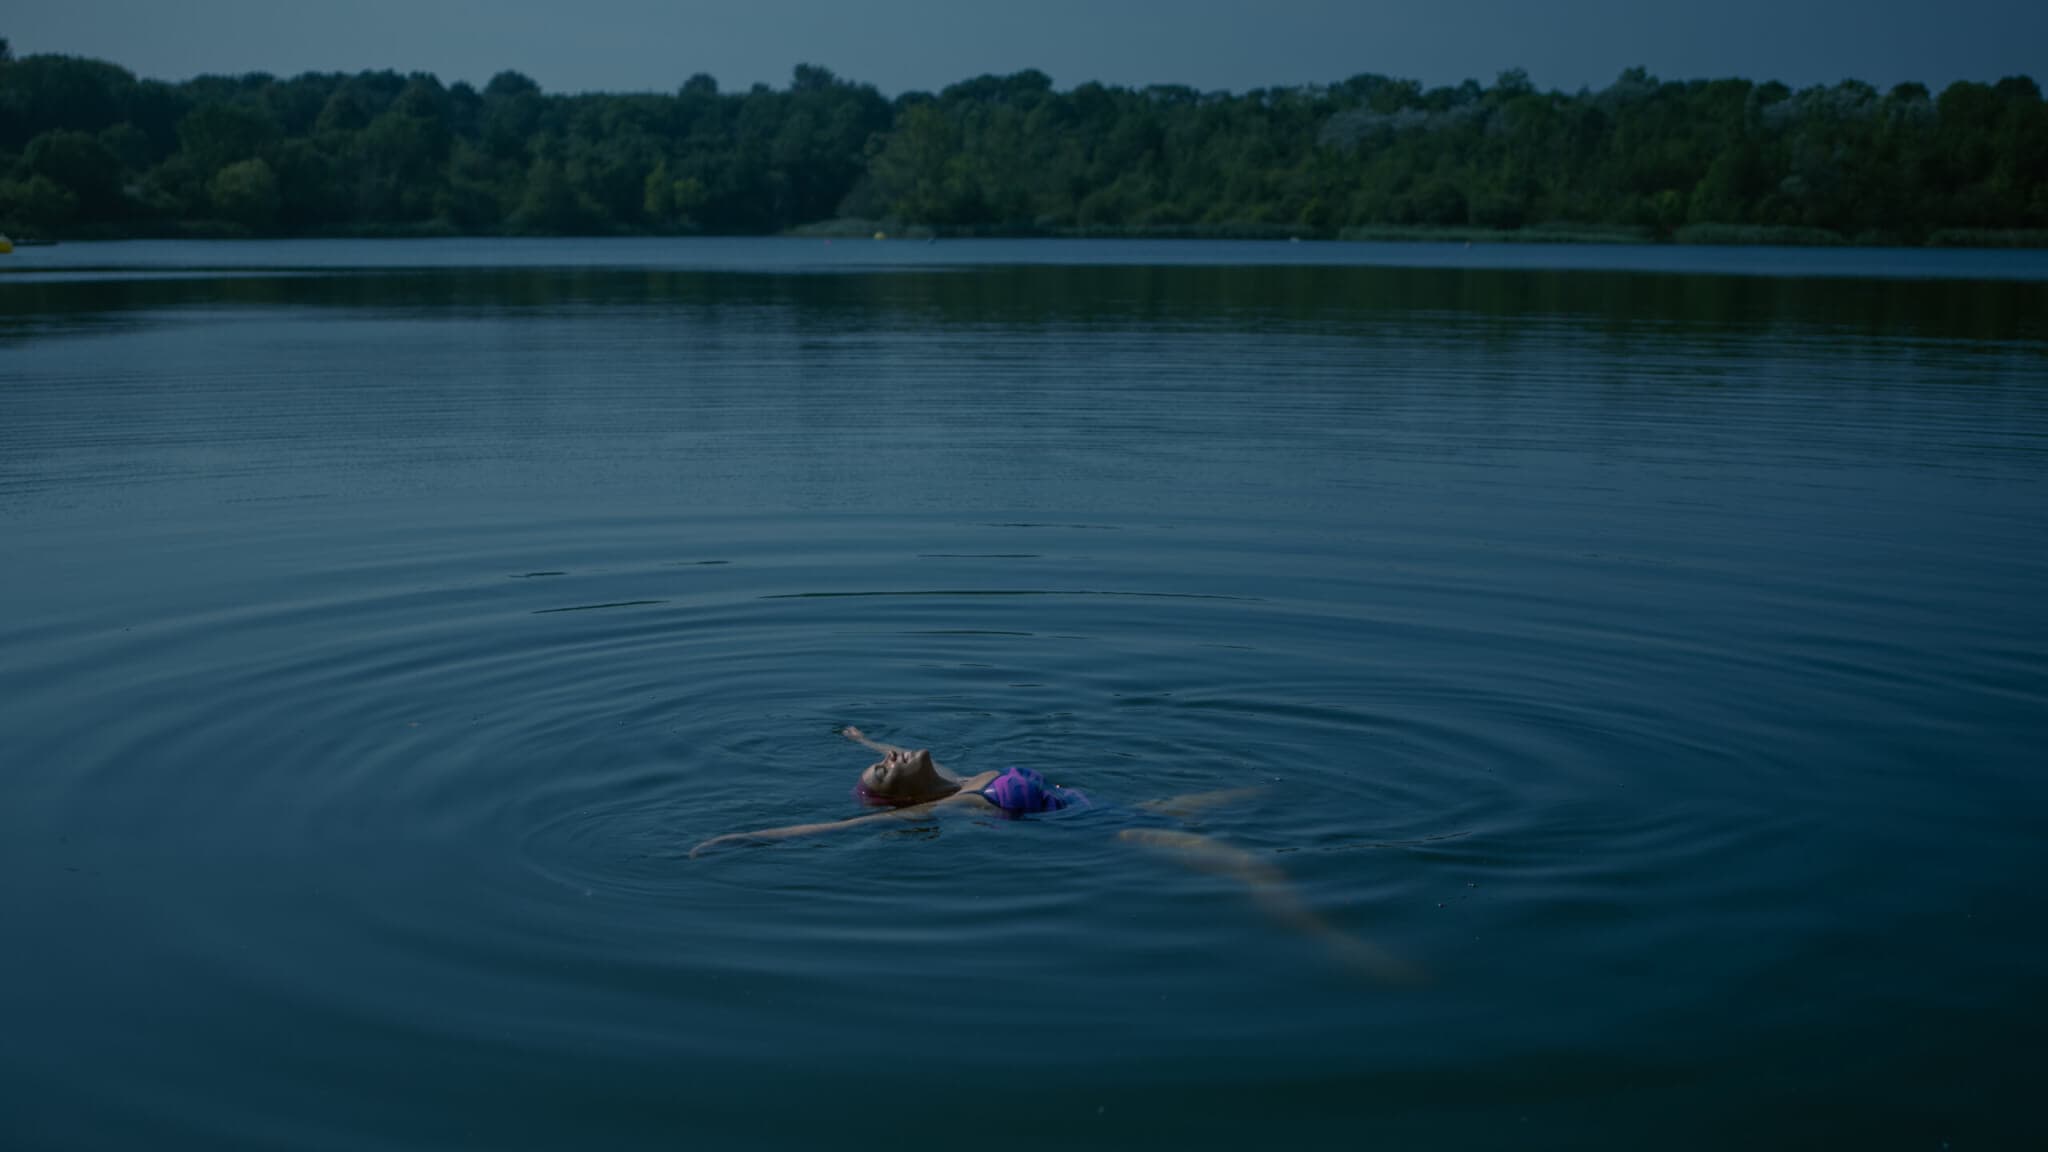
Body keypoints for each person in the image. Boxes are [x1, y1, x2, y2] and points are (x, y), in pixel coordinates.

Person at [688, 725, 1424, 983]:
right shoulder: (963, 802)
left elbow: (894, 748)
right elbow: (838, 830)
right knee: (1253, 866)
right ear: (907, 801)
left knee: (1260, 789)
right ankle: (1338, 940)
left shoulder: (947, 772)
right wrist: (745, 836)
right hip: (1114, 830)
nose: (898, 754)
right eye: (889, 767)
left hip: (1110, 803)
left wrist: (860, 744)